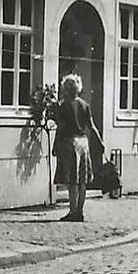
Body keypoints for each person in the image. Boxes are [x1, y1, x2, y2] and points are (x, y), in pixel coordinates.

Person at [53, 73, 104, 219]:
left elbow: (61, 128)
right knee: (83, 180)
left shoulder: (64, 106)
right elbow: (92, 127)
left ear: (66, 89)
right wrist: (100, 142)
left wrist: (55, 145)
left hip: (70, 143)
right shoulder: (84, 105)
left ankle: (72, 211)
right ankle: (80, 212)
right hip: (84, 143)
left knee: (72, 181)